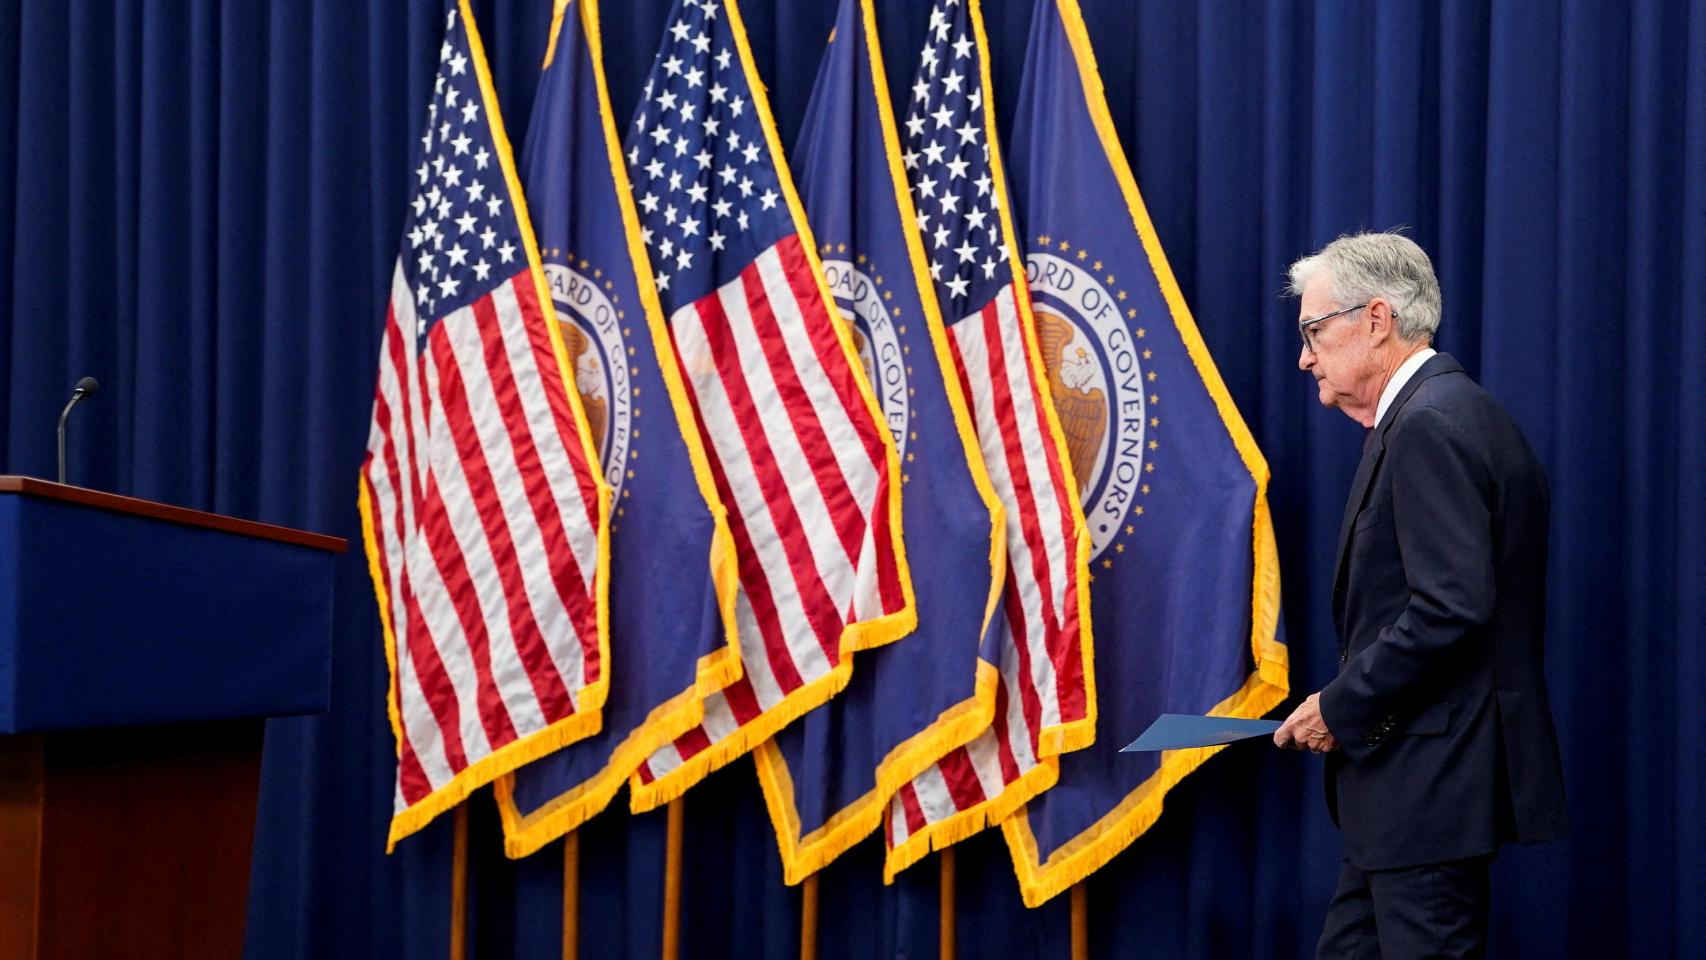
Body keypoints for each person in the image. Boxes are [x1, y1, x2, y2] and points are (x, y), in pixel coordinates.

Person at [1272, 232, 1569, 959]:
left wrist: (1339, 705)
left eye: (1314, 331)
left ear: (1377, 319)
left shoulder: (1430, 423)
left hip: (1429, 790)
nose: (1305, 357)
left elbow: (1450, 608)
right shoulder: (1444, 413)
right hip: (1406, 798)